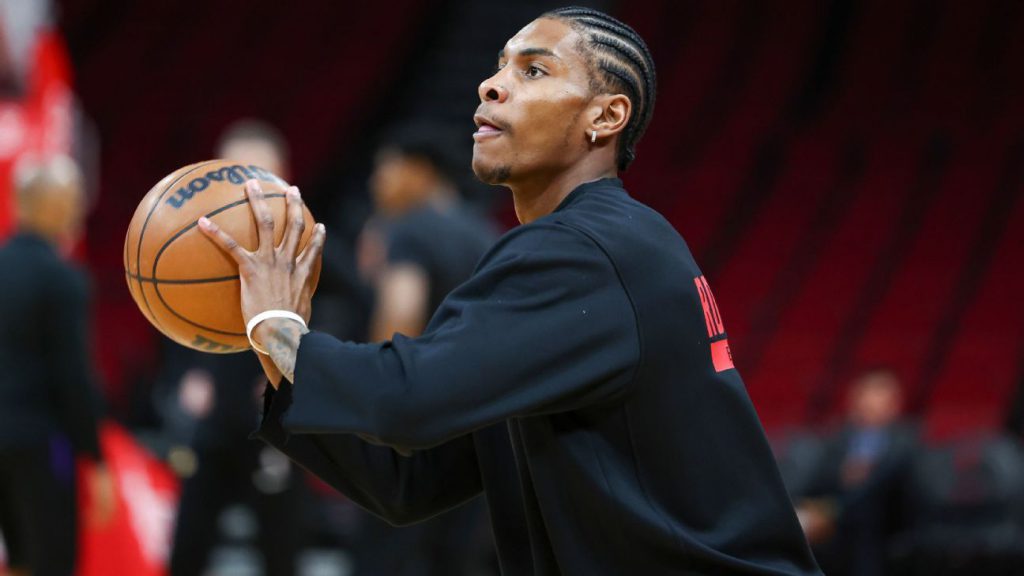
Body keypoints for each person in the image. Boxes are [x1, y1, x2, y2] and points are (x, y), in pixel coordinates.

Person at [199, 7, 822, 574]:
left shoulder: (582, 250)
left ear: (606, 117)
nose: (491, 85)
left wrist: (277, 326)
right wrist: (276, 350)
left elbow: (407, 400)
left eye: (533, 70)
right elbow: (407, 483)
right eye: (499, 66)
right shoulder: (602, 245)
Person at [352, 125, 498, 575]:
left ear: (419, 170)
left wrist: (376, 395)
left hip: (416, 425)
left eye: (385, 168)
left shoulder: (410, 229)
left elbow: (402, 312)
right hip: (480, 426)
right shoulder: (486, 234)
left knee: (385, 559)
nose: (376, 181)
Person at [167, 120, 309, 576]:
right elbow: (169, 315)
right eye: (234, 172)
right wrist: (187, 374)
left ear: (282, 177)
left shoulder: (306, 239)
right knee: (187, 548)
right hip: (215, 415)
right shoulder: (193, 243)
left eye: (257, 173)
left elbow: (339, 312)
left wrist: (293, 374)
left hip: (276, 417)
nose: (246, 187)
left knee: (281, 552)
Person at [0, 155, 115, 576]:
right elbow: (73, 377)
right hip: (41, 441)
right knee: (52, 561)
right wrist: (96, 458)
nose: (79, 210)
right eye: (73, 200)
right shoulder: (62, 278)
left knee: (17, 559)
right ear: (54, 206)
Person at [795, 368, 916, 576]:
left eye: (879, 394)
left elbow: (902, 488)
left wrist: (859, 478)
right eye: (865, 394)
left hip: (883, 528)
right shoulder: (837, 439)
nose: (870, 402)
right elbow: (816, 483)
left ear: (894, 403)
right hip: (834, 532)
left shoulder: (905, 441)